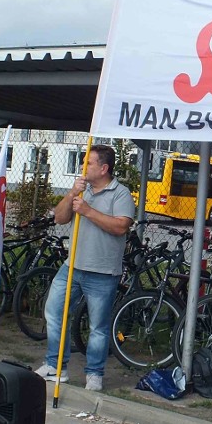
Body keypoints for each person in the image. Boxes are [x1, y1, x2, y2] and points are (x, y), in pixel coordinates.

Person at [36, 144, 133, 392]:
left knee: (98, 327)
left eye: (89, 163)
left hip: (102, 272)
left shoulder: (120, 193)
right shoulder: (82, 190)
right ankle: (56, 366)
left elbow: (121, 227)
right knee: (54, 312)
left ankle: (94, 374)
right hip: (73, 266)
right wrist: (71, 195)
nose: (83, 167)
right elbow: (59, 218)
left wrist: (88, 211)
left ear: (104, 168)